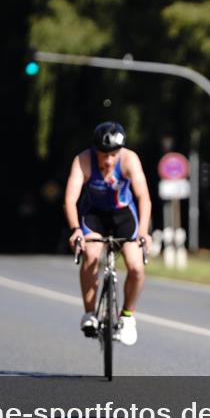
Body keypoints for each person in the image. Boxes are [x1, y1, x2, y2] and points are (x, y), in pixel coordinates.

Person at [64, 122, 153, 346]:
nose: (109, 160)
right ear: (95, 150)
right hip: (94, 216)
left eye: (114, 154)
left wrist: (143, 232)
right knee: (91, 255)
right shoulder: (83, 160)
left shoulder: (130, 159)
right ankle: (90, 314)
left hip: (123, 216)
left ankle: (127, 317)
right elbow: (70, 199)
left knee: (136, 267)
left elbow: (144, 197)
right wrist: (76, 229)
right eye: (104, 155)